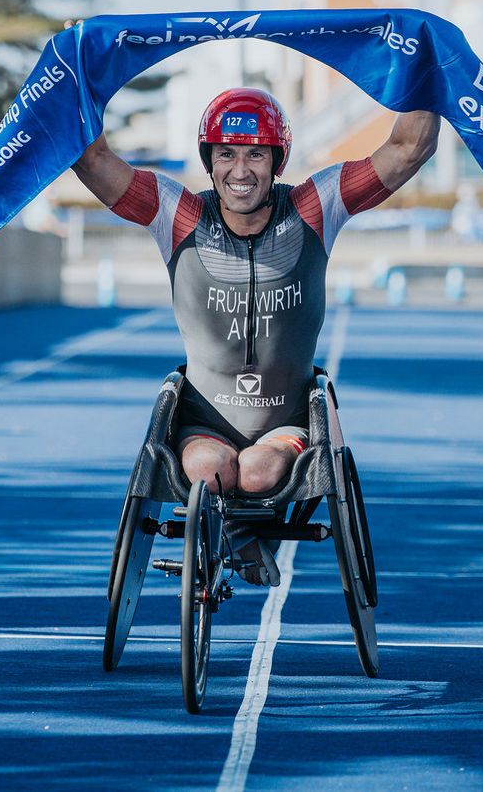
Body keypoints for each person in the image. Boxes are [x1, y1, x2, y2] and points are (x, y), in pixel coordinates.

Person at [72, 86, 439, 584]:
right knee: (209, 469)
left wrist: (425, 69)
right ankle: (240, 538)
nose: (240, 171)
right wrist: (76, 77)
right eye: (226, 153)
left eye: (255, 154)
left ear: (276, 160)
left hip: (284, 421)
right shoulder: (177, 215)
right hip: (203, 418)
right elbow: (92, 161)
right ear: (209, 159)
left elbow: (407, 149)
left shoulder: (315, 207)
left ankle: (239, 534)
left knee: (258, 473)